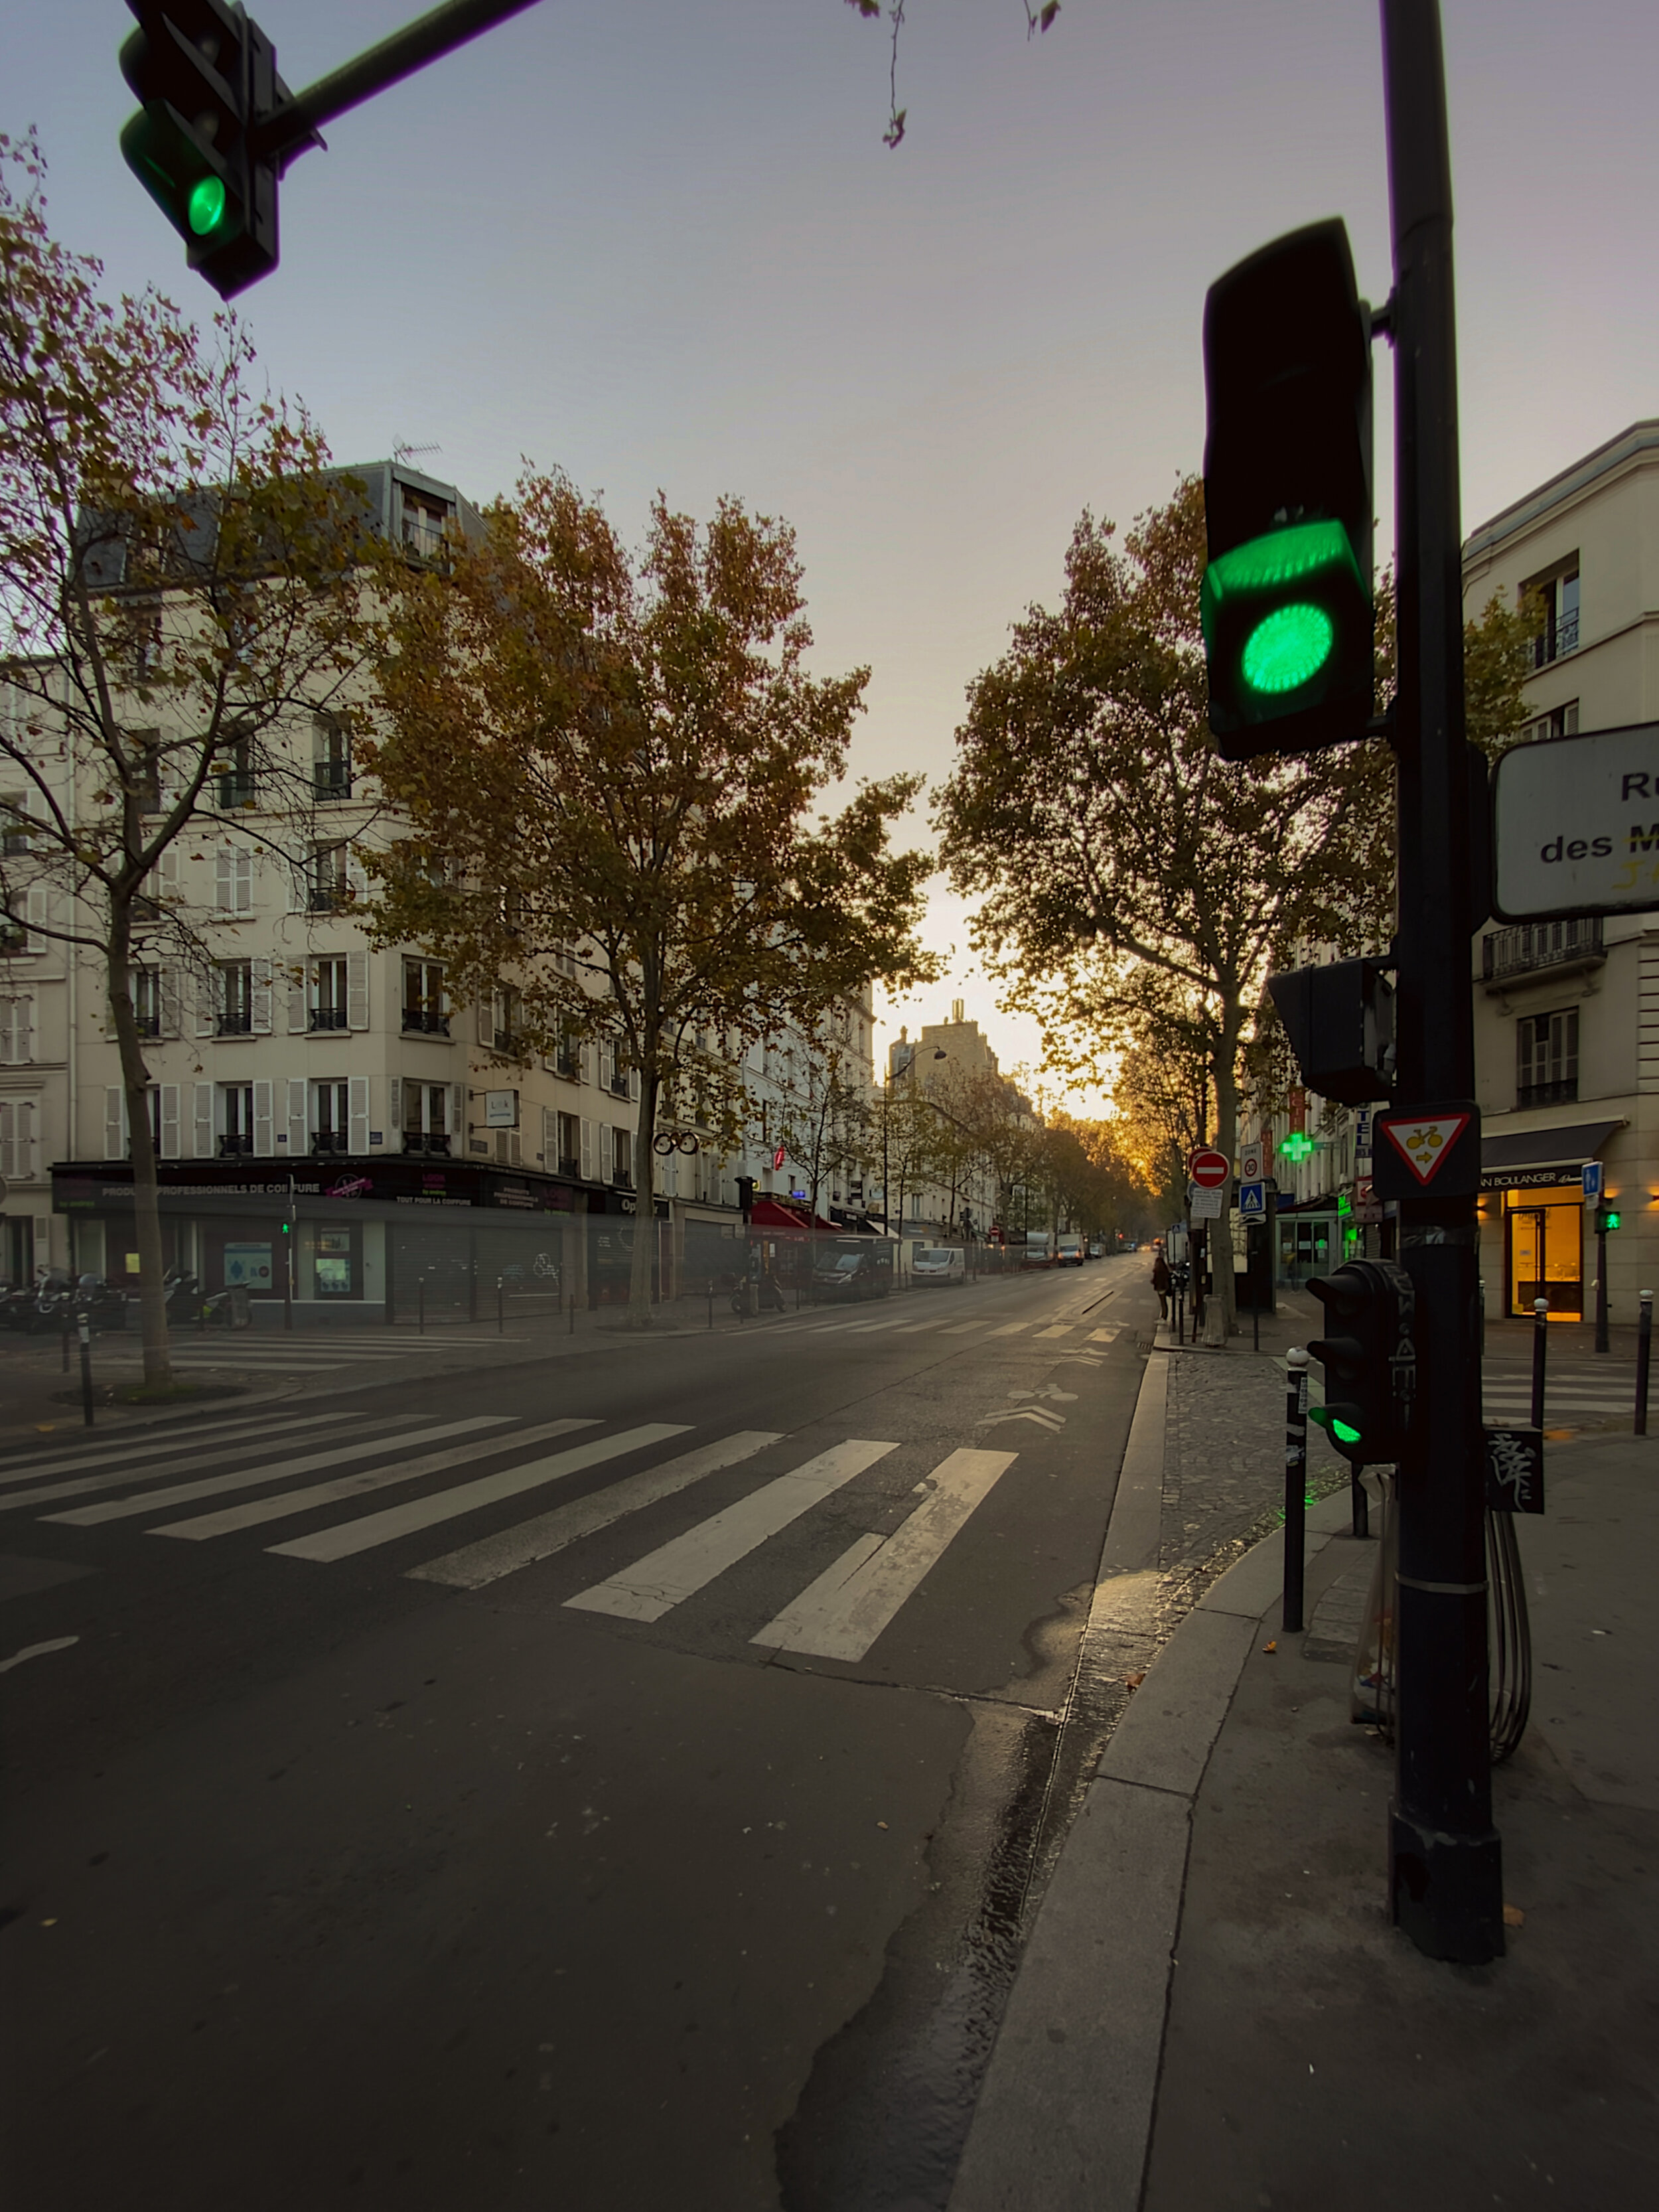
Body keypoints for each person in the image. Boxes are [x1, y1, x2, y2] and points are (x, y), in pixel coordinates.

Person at [1151, 1247, 1173, 1319]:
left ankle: (1164, 1317)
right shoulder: (1163, 1263)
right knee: (1164, 1302)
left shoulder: (1160, 1264)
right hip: (1163, 1285)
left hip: (1161, 1286)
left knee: (1163, 1302)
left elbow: (1158, 1275)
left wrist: (1154, 1281)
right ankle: (1164, 1316)